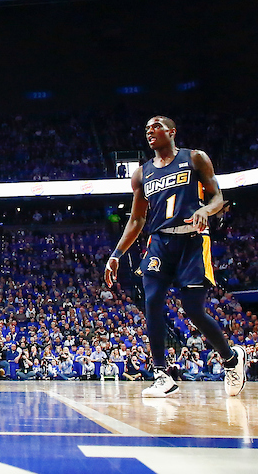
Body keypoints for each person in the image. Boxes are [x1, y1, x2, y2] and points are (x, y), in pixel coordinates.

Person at [104, 116, 246, 398]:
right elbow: (136, 220)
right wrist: (117, 254)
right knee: (153, 300)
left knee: (193, 309)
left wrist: (206, 210)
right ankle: (161, 374)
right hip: (159, 241)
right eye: (146, 128)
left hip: (193, 240)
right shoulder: (141, 174)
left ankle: (232, 359)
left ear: (171, 131)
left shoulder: (194, 158)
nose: (149, 131)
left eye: (155, 126)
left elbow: (218, 197)